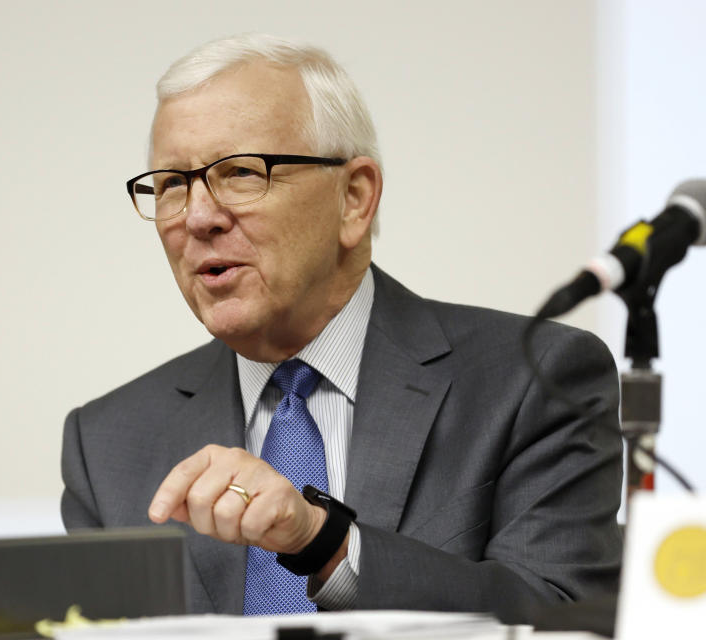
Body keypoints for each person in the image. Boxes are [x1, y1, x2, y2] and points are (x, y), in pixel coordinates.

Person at [60, 34, 622, 620]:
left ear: (354, 198)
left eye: (241, 173)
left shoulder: (532, 382)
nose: (198, 217)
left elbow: (564, 618)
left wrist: (323, 541)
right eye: (173, 184)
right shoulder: (106, 444)